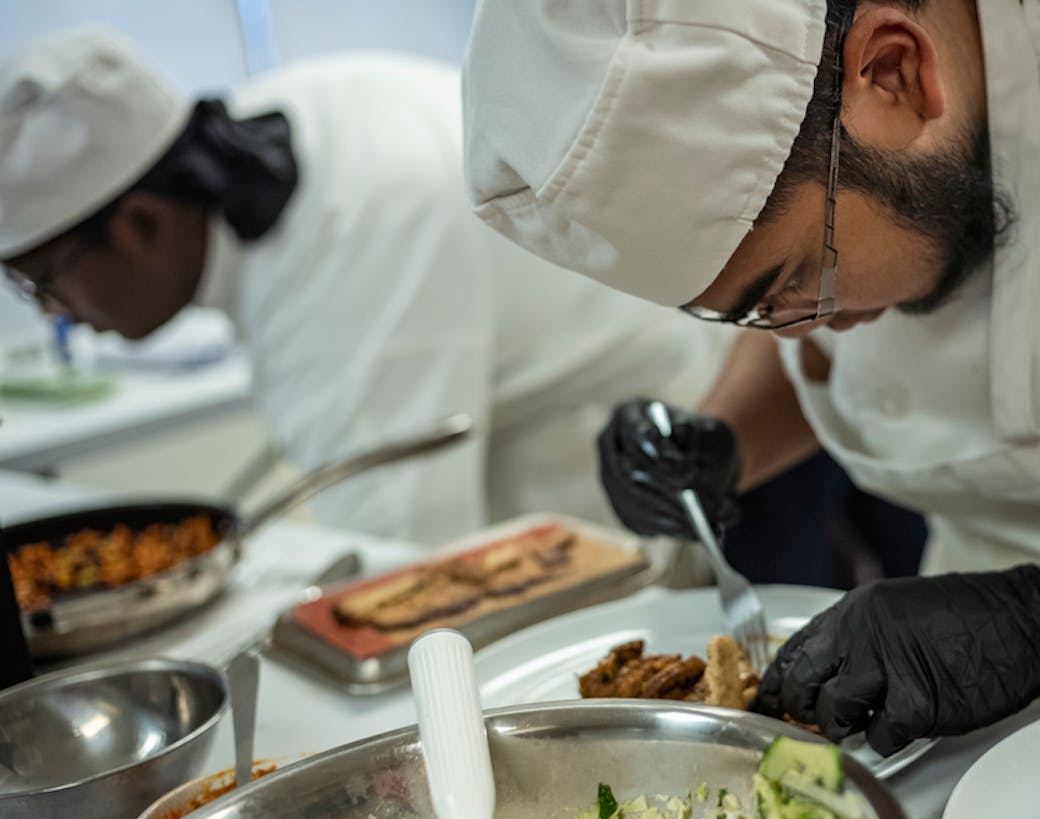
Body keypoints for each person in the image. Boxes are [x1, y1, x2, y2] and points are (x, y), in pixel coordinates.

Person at [462, 0, 1040, 754]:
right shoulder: (847, 183)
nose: (799, 330)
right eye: (750, 310)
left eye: (800, 280)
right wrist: (720, 442)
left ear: (894, 70)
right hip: (950, 684)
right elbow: (823, 346)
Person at [0, 26, 733, 545]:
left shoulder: (352, 254)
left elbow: (402, 556)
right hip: (564, 418)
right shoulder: (282, 114)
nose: (57, 314)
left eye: (47, 282)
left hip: (683, 436)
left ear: (142, 223)